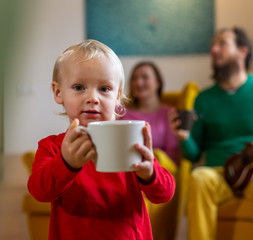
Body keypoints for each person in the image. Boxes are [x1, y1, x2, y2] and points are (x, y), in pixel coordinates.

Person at [28, 39, 175, 240]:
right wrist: (66, 164)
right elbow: (39, 191)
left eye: (104, 89)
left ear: (118, 96)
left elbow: (165, 194)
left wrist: (149, 172)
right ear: (58, 92)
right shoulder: (52, 147)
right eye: (79, 87)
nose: (93, 98)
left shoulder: (130, 141)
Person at [169, 27, 253, 240]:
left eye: (222, 44)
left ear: (243, 50)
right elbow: (194, 155)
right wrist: (184, 138)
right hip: (218, 174)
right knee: (198, 178)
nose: (214, 50)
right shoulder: (203, 99)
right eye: (212, 46)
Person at [120, 61, 180, 165]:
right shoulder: (120, 112)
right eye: (135, 78)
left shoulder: (169, 113)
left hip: (159, 170)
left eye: (145, 77)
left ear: (158, 83)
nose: (139, 83)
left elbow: (173, 155)